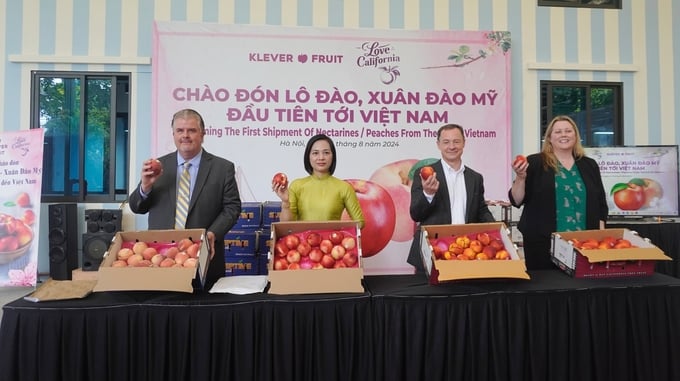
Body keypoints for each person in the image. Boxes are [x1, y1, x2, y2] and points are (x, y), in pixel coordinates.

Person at [128, 108, 241, 291]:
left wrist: (212, 233)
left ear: (203, 134)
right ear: (173, 134)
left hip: (205, 260)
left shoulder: (223, 168)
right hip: (161, 260)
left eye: (192, 130)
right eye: (180, 131)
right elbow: (136, 207)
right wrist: (145, 186)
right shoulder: (157, 167)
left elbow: (232, 208)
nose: (185, 136)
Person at [509, 115, 608, 270]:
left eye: (568, 131)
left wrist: (599, 237)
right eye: (558, 132)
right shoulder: (534, 162)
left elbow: (601, 203)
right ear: (549, 138)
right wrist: (520, 178)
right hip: (542, 244)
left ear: (575, 136)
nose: (564, 135)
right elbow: (516, 200)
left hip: (585, 243)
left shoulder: (589, 165)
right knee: (545, 288)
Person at [408, 123, 495, 273]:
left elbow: (481, 210)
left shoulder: (475, 178)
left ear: (464, 143)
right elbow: (416, 214)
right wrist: (428, 194)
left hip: (466, 252)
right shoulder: (424, 174)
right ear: (438, 145)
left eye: (456, 141)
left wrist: (496, 231)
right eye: (446, 142)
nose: (452, 146)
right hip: (432, 251)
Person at [272, 134, 364, 228]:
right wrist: (285, 202)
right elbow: (287, 226)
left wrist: (340, 233)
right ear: (308, 156)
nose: (321, 157)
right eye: (315, 153)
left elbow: (360, 223)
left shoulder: (344, 187)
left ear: (333, 156)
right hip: (303, 242)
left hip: (332, 241)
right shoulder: (297, 185)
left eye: (326, 153)